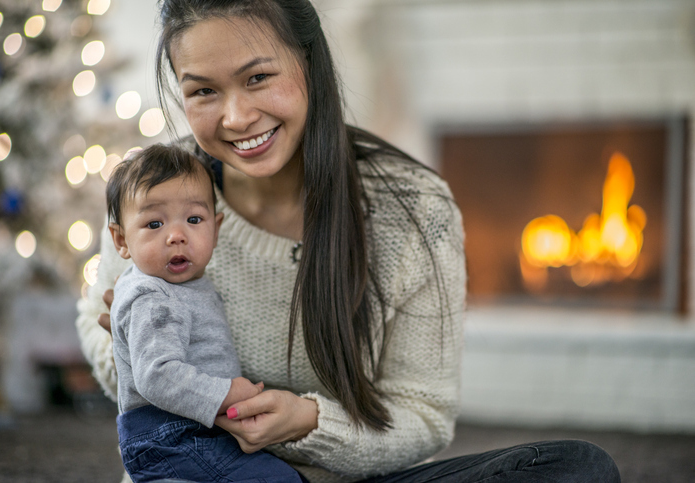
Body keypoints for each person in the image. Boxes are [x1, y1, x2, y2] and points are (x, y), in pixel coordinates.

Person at [76, 0, 621, 481]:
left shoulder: (414, 210)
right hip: (204, 474)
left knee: (577, 469)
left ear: (309, 64)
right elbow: (96, 325)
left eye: (259, 78)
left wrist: (310, 422)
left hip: (356, 478)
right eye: (203, 91)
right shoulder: (155, 192)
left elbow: (423, 416)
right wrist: (133, 352)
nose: (237, 116)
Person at [104, 143, 304, 482]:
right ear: (121, 240)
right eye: (154, 224)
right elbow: (156, 375)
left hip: (189, 429)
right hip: (170, 434)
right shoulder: (153, 296)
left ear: (217, 227)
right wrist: (224, 394)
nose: (177, 236)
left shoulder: (182, 285)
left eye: (194, 219)